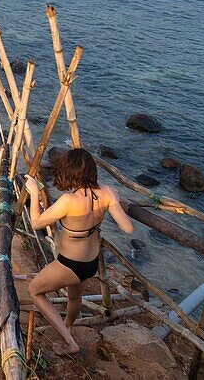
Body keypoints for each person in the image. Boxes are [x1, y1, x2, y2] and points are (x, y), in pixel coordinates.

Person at [25, 148, 134, 355]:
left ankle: (69, 342)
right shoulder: (107, 194)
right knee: (74, 298)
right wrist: (116, 201)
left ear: (71, 172)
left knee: (35, 290)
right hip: (90, 264)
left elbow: (36, 222)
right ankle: (68, 327)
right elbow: (128, 228)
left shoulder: (69, 200)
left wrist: (35, 192)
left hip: (70, 264)